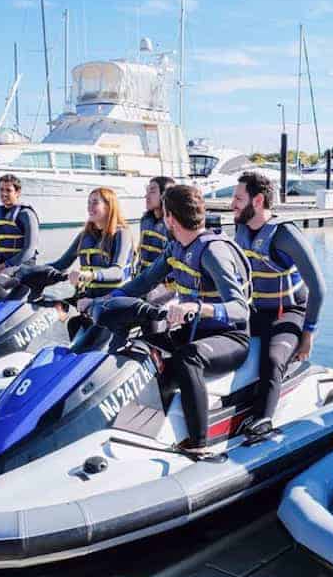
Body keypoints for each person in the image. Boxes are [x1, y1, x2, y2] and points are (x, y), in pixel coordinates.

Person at [95, 184, 252, 453]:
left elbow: (240, 309)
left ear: (170, 218)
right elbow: (144, 281)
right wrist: (108, 299)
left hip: (230, 338)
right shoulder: (175, 248)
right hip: (192, 331)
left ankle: (199, 443)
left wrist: (199, 307)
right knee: (142, 346)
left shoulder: (213, 251)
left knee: (187, 358)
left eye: (165, 214)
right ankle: (144, 424)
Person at [231, 171, 325, 431]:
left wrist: (308, 335)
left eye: (238, 198)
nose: (232, 204)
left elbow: (319, 288)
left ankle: (263, 421)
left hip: (289, 313)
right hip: (257, 310)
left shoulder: (285, 235)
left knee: (272, 359)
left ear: (258, 201)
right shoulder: (241, 229)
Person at [51, 187, 133, 350]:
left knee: (80, 349)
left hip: (113, 303)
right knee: (70, 320)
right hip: (88, 302)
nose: (89, 207)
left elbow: (117, 273)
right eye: (88, 202)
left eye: (95, 202)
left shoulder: (122, 233)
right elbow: (61, 264)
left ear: (109, 206)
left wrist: (87, 275)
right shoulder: (85, 235)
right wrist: (25, 270)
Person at [0, 174, 39, 287]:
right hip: (4, 263)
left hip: (22, 264)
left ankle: (17, 301)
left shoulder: (26, 214)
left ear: (17, 192)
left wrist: (0, 268)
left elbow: (29, 251)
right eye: (1, 189)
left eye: (8, 190)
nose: (4, 194)